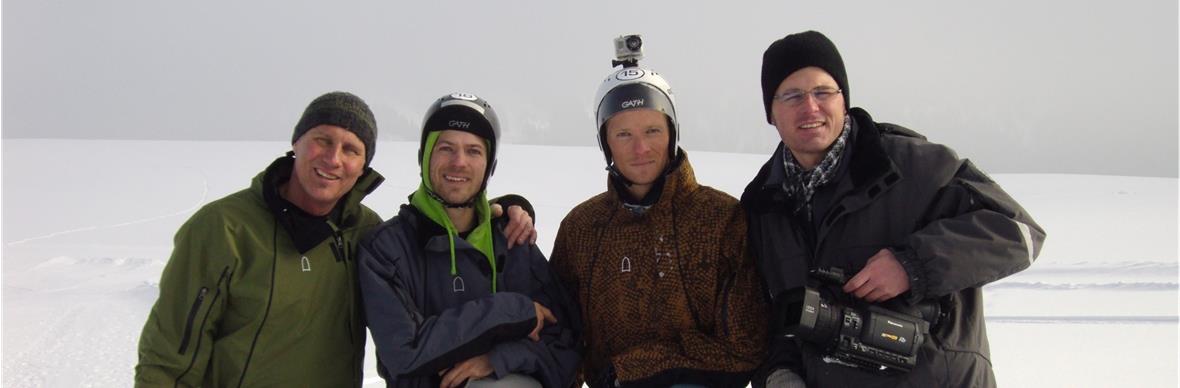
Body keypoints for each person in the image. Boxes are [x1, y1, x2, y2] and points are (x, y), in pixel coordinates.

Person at [135, 91, 536, 387]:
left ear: (363, 165)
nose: (333, 159)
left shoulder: (363, 231)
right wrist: (513, 309)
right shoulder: (224, 228)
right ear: (297, 143)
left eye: (351, 149)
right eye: (323, 141)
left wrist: (504, 209)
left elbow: (447, 220)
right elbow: (167, 358)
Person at [742, 31, 1046, 387]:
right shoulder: (762, 206)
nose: (810, 107)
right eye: (792, 95)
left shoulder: (912, 165)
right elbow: (767, 318)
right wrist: (779, 374)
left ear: (843, 99)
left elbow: (1018, 232)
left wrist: (912, 265)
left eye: (823, 92)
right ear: (771, 113)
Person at [549, 57, 767, 387]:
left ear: (672, 133)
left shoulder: (721, 218)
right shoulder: (581, 228)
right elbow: (561, 335)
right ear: (605, 142)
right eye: (623, 134)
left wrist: (634, 368)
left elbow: (745, 347)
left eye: (652, 130)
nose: (640, 148)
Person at [357, 92, 581, 388]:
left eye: (474, 151)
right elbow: (404, 351)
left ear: (490, 166)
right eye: (446, 148)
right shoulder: (386, 249)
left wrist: (498, 360)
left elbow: (565, 345)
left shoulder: (512, 238)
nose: (459, 162)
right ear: (424, 156)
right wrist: (511, 310)